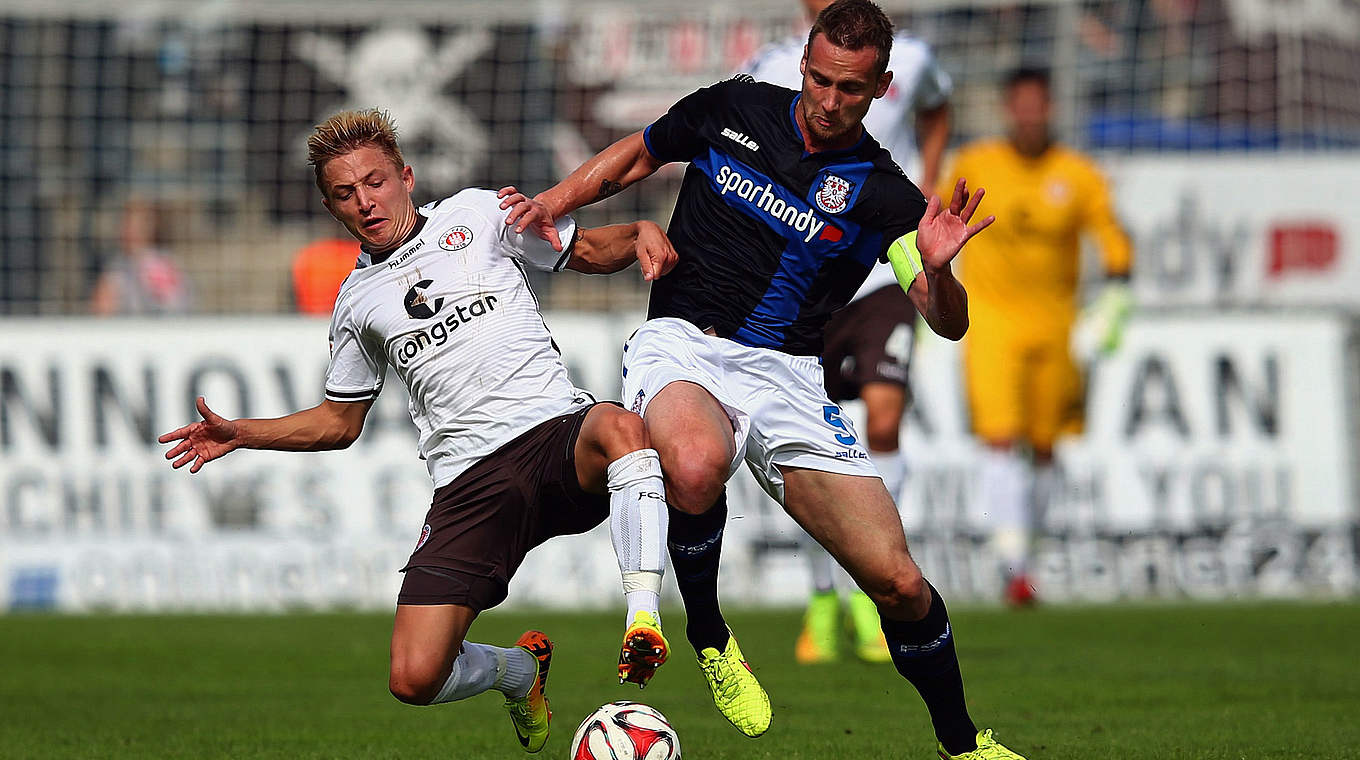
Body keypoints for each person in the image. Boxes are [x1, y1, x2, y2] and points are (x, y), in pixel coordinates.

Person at [504, 3, 1025, 757]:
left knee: (902, 585)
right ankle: (711, 636)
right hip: (681, 344)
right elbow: (638, 155)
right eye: (819, 79)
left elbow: (947, 321)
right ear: (805, 64)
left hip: (786, 378)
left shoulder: (885, 196)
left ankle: (962, 744)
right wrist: (552, 203)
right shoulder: (735, 108)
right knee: (692, 462)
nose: (828, 99)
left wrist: (938, 271)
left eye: (850, 88)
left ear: (881, 87)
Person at [158, 109, 680, 754]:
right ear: (331, 206)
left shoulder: (480, 214)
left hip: (554, 434)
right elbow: (338, 421)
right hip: (469, 480)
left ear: (405, 176)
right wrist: (244, 433)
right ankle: (519, 671)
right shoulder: (356, 303)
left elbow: (581, 250)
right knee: (414, 677)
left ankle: (643, 620)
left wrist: (641, 234)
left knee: (622, 428)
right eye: (346, 194)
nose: (365, 201)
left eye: (374, 182)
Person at [741, 0, 953, 665]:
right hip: (810, 275)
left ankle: (871, 590)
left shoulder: (911, 59)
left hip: (889, 266)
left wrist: (929, 180)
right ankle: (824, 595)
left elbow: (940, 106)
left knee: (885, 417)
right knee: (813, 446)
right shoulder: (770, 68)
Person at [939, 68, 1132, 606]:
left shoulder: (1078, 173)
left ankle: (1030, 553)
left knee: (1045, 447)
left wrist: (1118, 293)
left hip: (1056, 325)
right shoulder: (976, 164)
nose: (1029, 115)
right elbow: (933, 218)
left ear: (1049, 109)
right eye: (1020, 105)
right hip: (992, 322)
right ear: (1008, 108)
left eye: (1038, 105)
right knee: (999, 437)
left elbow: (1112, 236)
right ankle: (1013, 565)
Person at [90, 198, 191, 316]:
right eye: (123, 223)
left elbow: (173, 306)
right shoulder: (117, 265)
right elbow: (100, 309)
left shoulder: (158, 263)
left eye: (132, 224)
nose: (125, 230)